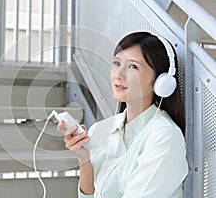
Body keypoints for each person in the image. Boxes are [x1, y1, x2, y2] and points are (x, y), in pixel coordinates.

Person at [57, 32, 188, 198]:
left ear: (161, 81)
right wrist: (84, 160)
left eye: (133, 66)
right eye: (117, 63)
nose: (118, 74)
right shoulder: (99, 130)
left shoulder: (165, 136)